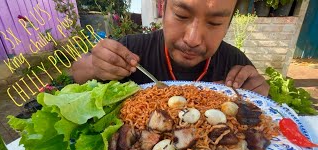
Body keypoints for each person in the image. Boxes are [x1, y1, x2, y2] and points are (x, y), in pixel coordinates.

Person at [72, 0, 270, 96]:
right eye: (182, 15)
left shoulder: (235, 64)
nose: (193, 39)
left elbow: (260, 102)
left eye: (215, 22)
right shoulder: (129, 50)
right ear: (163, 8)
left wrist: (259, 94)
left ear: (228, 25)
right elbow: (76, 72)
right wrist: (93, 66)